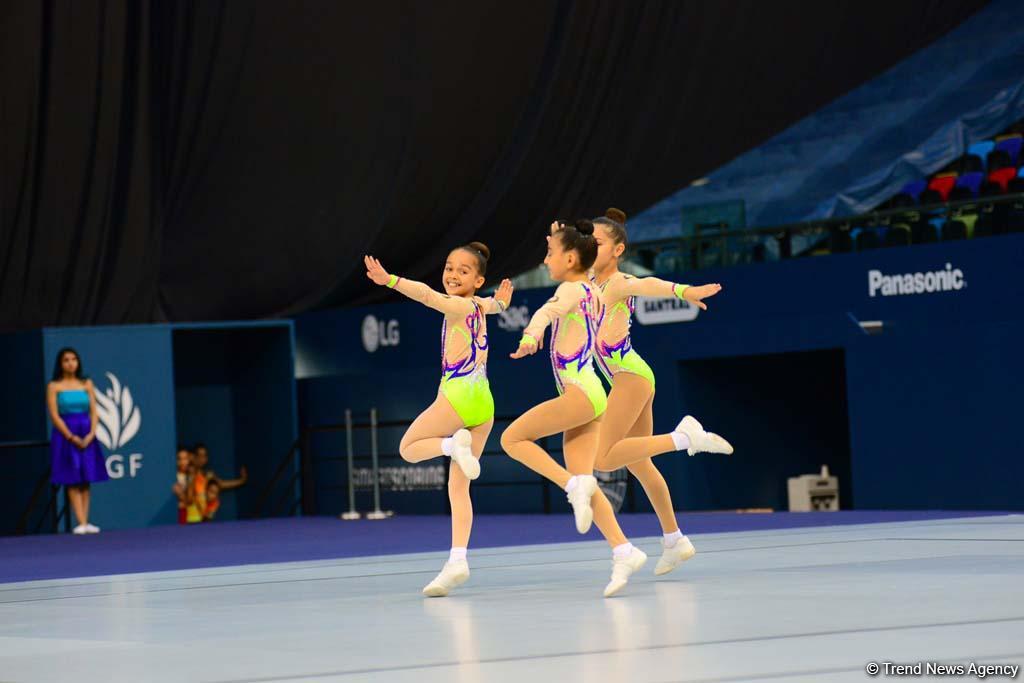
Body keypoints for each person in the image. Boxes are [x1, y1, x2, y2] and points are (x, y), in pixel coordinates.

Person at [501, 220, 645, 597]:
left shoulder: (570, 289)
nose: (545, 260)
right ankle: (623, 549)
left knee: (512, 438)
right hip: (591, 393)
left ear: (569, 257)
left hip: (580, 394)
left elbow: (546, 313)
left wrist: (531, 335)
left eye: (549, 253)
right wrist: (562, 233)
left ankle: (570, 486)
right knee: (588, 484)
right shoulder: (589, 288)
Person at [588, 208, 733, 575]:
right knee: (638, 461)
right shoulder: (589, 283)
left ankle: (684, 437)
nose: (590, 246)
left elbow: (647, 283)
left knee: (604, 460)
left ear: (618, 249)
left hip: (629, 376)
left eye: (598, 242)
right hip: (632, 375)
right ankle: (674, 540)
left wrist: (684, 291)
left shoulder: (617, 282)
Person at [364, 243, 513, 597]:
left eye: (463, 271)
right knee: (459, 488)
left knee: (408, 448)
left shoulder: (459, 306)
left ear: (478, 279)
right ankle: (457, 560)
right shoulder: (479, 304)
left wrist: (390, 281)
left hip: (459, 395)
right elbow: (494, 306)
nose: (453, 274)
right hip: (484, 404)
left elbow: (428, 296)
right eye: (449, 267)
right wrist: (502, 302)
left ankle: (450, 444)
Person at [46, 347, 108, 535]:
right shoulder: (54, 386)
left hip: (86, 432)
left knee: (86, 477)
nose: (71, 363)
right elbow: (55, 415)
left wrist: (90, 434)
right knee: (72, 478)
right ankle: (80, 522)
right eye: (66, 360)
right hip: (67, 434)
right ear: (60, 364)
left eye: (74, 359)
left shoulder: (86, 383)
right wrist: (71, 436)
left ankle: (86, 521)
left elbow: (94, 411)